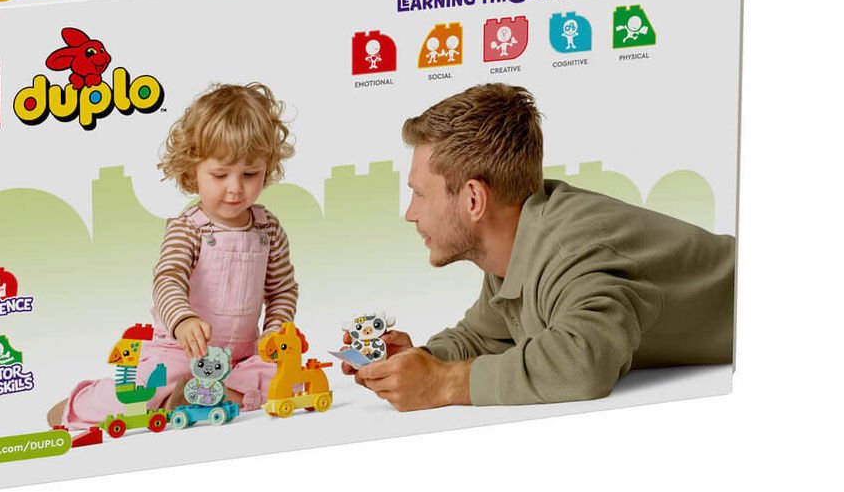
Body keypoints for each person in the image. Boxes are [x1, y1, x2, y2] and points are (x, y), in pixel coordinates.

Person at [353, 84, 736, 411]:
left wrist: (443, 384)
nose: (410, 213)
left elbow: (583, 364)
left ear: (473, 199)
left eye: (420, 194)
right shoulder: (517, 245)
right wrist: (422, 360)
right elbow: (487, 337)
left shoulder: (569, 250)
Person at [48, 82, 298, 435]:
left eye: (249, 174)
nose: (235, 187)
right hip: (180, 352)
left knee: (288, 377)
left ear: (267, 168)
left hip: (241, 357)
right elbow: (168, 278)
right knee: (142, 389)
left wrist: (274, 335)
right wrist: (183, 320)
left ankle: (198, 396)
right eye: (220, 174)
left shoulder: (267, 228)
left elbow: (283, 290)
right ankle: (83, 404)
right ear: (193, 169)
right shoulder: (188, 228)